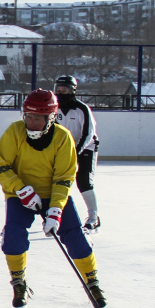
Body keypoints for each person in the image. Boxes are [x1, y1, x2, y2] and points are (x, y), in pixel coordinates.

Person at [0, 89, 106, 308]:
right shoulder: (14, 132)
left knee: (75, 237)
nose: (31, 122)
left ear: (50, 118)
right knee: (13, 236)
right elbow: (1, 167)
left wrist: (54, 210)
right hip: (20, 195)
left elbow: (64, 178)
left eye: (37, 117)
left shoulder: (63, 138)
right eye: (28, 116)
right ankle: (19, 283)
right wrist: (22, 190)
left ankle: (92, 283)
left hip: (52, 194)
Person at [53, 75, 101, 231]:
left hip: (86, 148)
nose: (60, 93)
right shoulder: (54, 108)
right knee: (56, 181)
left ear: (73, 90)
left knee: (84, 181)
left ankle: (93, 218)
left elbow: (89, 134)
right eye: (58, 90)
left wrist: (77, 152)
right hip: (65, 149)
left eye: (64, 90)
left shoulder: (82, 109)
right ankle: (54, 215)